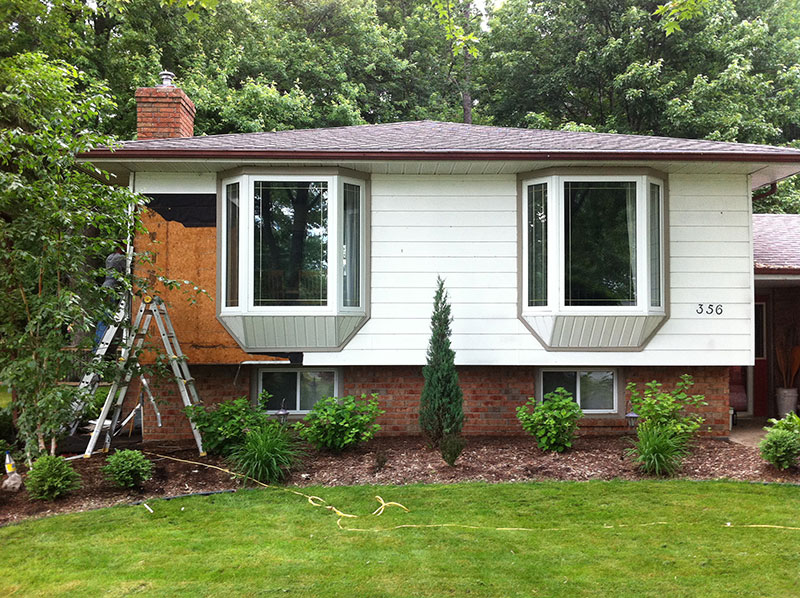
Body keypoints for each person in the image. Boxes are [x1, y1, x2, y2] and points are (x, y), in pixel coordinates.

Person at [94, 247, 127, 348]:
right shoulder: (120, 258)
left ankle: (97, 344)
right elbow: (126, 272)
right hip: (113, 288)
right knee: (107, 316)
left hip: (105, 287)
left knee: (104, 317)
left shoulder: (109, 257)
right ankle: (100, 346)